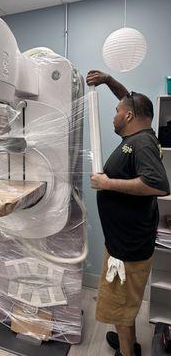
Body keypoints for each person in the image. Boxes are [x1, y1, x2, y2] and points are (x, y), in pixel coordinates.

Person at [86, 70, 170, 356]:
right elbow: (129, 98)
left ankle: (126, 353)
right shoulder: (144, 135)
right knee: (125, 304)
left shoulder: (142, 143)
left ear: (130, 116)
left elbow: (158, 184)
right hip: (125, 242)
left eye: (118, 110)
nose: (115, 114)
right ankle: (130, 343)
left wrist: (107, 183)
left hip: (128, 247)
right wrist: (109, 80)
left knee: (120, 306)